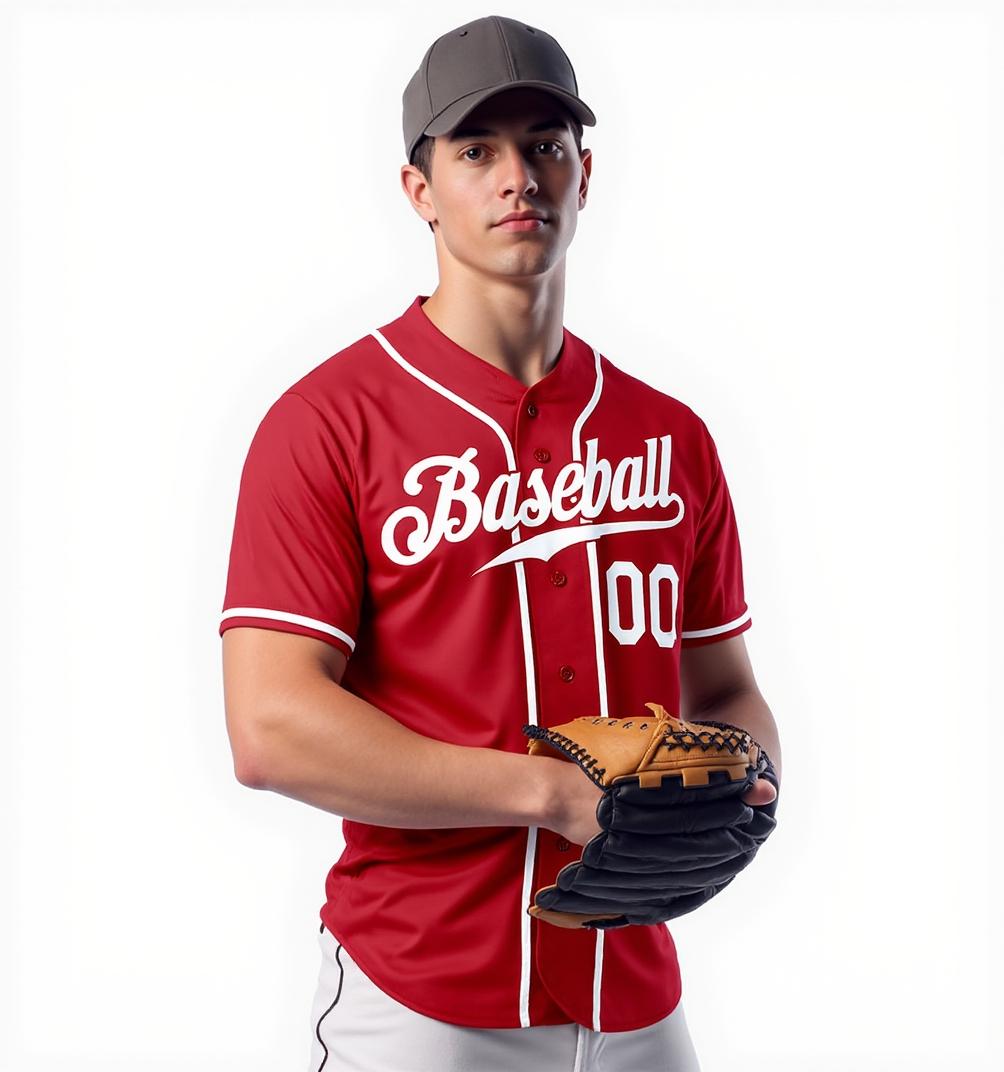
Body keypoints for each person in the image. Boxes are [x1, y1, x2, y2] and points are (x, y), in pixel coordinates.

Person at [218, 14, 782, 1072]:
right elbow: (269, 724)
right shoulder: (329, 421)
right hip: (423, 1000)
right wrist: (545, 791)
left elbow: (727, 687)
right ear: (418, 190)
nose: (516, 175)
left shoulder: (669, 435)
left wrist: (753, 785)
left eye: (543, 144)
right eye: (475, 150)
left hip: (635, 997)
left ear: (584, 172)